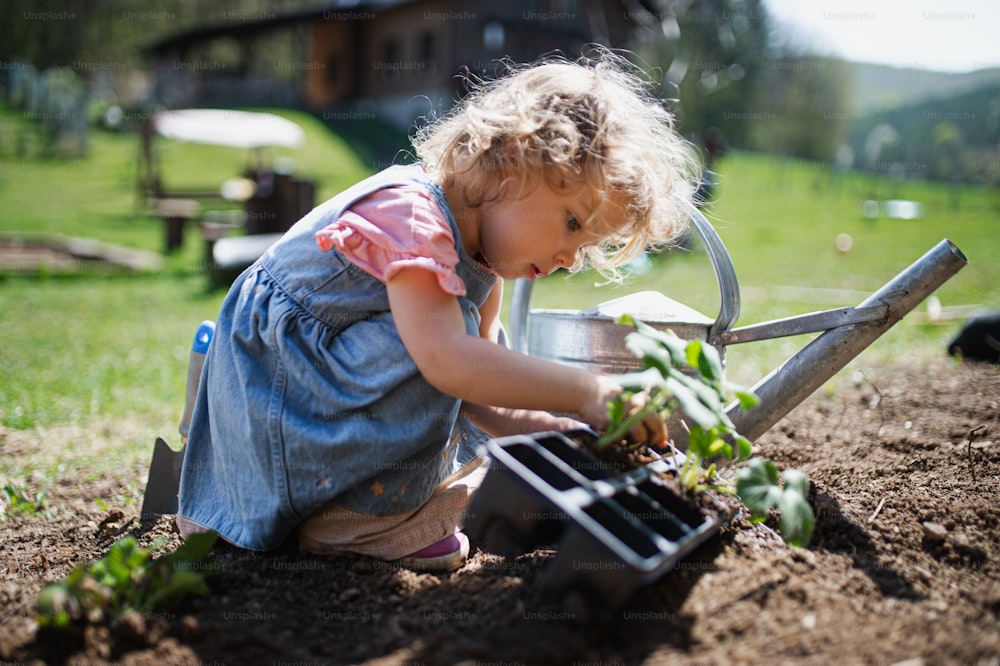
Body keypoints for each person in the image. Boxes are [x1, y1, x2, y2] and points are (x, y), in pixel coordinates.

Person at [176, 49, 700, 572]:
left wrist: (553, 432)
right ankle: (352, 524)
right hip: (275, 397)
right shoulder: (411, 215)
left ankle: (354, 509)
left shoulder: (481, 269)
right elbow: (447, 362)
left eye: (586, 247)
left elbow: (478, 388)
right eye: (569, 223)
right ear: (512, 160)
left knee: (463, 347)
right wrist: (586, 391)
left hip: (310, 407)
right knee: (446, 340)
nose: (569, 258)